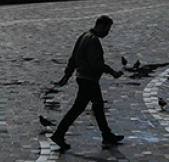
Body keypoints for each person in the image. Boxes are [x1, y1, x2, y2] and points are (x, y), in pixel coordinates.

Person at [51, 15, 124, 152]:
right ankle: (59, 134)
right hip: (88, 79)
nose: (107, 33)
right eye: (107, 29)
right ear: (101, 26)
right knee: (78, 108)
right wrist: (111, 72)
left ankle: (106, 134)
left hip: (84, 77)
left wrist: (67, 75)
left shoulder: (83, 36)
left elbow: (73, 58)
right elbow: (95, 63)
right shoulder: (93, 40)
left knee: (98, 106)